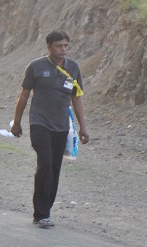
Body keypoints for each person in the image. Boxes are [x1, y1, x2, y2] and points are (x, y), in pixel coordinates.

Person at [11, 30, 90, 228]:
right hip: (39, 124)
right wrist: (17, 122)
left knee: (55, 168)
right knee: (45, 163)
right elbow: (24, 96)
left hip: (61, 126)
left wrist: (83, 127)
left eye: (65, 46)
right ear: (49, 47)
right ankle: (41, 213)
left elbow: (77, 98)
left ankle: (45, 210)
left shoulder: (73, 68)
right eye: (58, 46)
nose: (63, 49)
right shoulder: (36, 67)